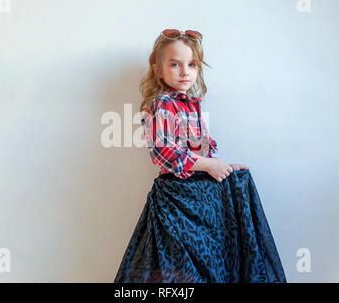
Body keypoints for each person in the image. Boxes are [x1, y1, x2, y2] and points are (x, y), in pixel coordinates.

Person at [114, 29, 287, 283]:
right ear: (157, 69)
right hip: (177, 198)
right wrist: (208, 164)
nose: (185, 71)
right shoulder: (162, 104)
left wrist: (224, 168)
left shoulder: (192, 104)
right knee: (182, 265)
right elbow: (164, 151)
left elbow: (201, 148)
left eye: (192, 64)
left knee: (240, 183)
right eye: (175, 64)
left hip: (199, 197)